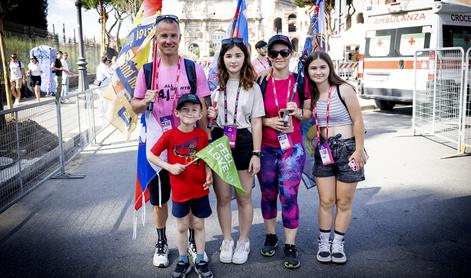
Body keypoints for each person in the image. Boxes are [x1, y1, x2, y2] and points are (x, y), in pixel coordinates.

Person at [131, 14, 211, 269]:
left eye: (173, 35)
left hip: (188, 147)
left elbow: (203, 107)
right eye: (163, 35)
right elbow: (135, 106)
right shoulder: (147, 70)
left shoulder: (192, 68)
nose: (168, 40)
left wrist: (206, 144)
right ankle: (161, 241)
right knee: (160, 199)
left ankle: (191, 242)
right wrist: (146, 101)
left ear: (179, 37)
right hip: (160, 144)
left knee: (187, 196)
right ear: (156, 39)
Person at [304, 51, 366, 264]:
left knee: (344, 201)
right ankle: (324, 242)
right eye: (313, 68)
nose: (318, 72)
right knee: (326, 200)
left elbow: (358, 121)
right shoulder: (311, 95)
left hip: (348, 150)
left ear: (330, 68)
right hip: (324, 151)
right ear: (308, 71)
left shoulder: (344, 89)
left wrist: (359, 150)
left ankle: (338, 243)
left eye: (322, 67)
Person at [207, 38, 265, 265]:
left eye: (238, 55)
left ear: (245, 58)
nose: (233, 60)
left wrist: (256, 153)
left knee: (244, 197)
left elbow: (257, 123)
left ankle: (243, 240)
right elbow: (208, 118)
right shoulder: (215, 87)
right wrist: (210, 114)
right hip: (220, 139)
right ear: (222, 58)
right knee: (222, 198)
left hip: (243, 141)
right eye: (228, 56)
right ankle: (227, 240)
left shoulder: (253, 87)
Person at [257, 35, 312, 269]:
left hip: (293, 150)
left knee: (289, 196)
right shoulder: (260, 82)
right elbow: (254, 116)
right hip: (267, 148)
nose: (279, 57)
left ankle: (290, 244)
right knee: (268, 195)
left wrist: (297, 111)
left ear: (291, 54)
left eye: (284, 52)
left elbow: (309, 113)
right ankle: (271, 235)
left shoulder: (300, 81)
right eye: (274, 53)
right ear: (267, 56)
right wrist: (269, 122)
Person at [148, 93, 214, 278]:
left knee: (198, 224)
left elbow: (206, 160)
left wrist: (209, 174)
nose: (189, 113)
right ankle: (183, 259)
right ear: (176, 113)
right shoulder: (169, 135)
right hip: (180, 191)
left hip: (199, 189)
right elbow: (151, 155)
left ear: (200, 114)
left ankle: (200, 259)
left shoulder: (201, 136)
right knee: (182, 226)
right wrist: (169, 166)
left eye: (194, 110)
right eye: (185, 109)